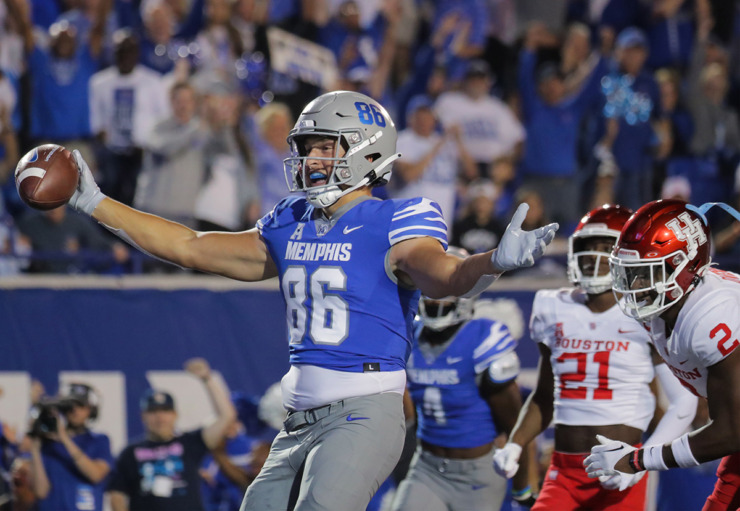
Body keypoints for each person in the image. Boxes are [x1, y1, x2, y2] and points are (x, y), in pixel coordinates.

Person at [64, 90, 558, 510]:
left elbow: (446, 274)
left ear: (366, 152)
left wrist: (493, 260)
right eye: (307, 148)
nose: (311, 160)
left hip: (363, 410)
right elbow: (190, 247)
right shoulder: (291, 219)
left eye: (326, 147)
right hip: (299, 420)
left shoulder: (397, 221)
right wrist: (96, 203)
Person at [495, 204, 698, 510]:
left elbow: (683, 404)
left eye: (606, 247)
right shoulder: (553, 307)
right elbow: (544, 396)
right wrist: (516, 442)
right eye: (589, 247)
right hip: (563, 471)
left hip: (620, 468)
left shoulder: (647, 313)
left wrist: (641, 461)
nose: (594, 257)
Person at [583, 199, 740, 510]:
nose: (636, 286)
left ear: (685, 266)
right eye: (630, 273)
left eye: (646, 273)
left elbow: (731, 433)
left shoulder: (712, 316)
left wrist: (638, 459)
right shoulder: (664, 310)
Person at [391, 246, 533, 511]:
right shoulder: (408, 334)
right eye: (431, 289)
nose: (435, 298)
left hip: (476, 475)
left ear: (466, 294)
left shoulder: (482, 338)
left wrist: (523, 489)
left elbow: (516, 424)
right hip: (427, 467)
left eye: (444, 290)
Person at [107, 358, 236, 511]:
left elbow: (226, 416)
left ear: (175, 414)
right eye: (153, 412)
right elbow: (117, 495)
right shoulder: (130, 453)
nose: (160, 417)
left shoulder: (190, 443)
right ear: (143, 416)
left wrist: (207, 379)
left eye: (165, 410)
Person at [27, 382, 113, 511]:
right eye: (70, 405)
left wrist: (64, 438)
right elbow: (40, 492)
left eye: (81, 405)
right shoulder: (48, 444)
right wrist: (34, 448)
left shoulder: (99, 440)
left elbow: (95, 474)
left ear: (91, 410)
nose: (75, 410)